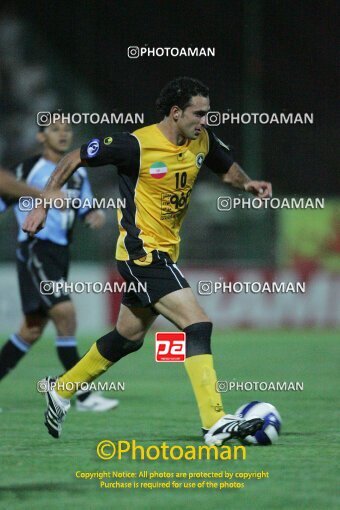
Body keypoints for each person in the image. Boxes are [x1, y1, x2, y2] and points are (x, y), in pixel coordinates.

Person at [23, 77, 272, 443]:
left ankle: (60, 390)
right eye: (198, 113)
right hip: (142, 255)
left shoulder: (202, 138)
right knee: (197, 324)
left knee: (128, 337)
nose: (205, 120)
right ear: (175, 113)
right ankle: (214, 421)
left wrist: (248, 183)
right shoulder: (134, 144)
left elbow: (225, 166)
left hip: (165, 253)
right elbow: (74, 157)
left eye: (207, 113)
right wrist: (44, 202)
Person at [0, 118, 118, 412]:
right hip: (35, 250)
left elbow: (84, 204)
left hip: (60, 254)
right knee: (65, 315)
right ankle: (83, 395)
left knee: (31, 329)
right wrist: (41, 196)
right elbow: (3, 187)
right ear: (41, 136)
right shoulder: (29, 170)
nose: (64, 134)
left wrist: (93, 214)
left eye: (67, 129)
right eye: (55, 129)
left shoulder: (77, 175)